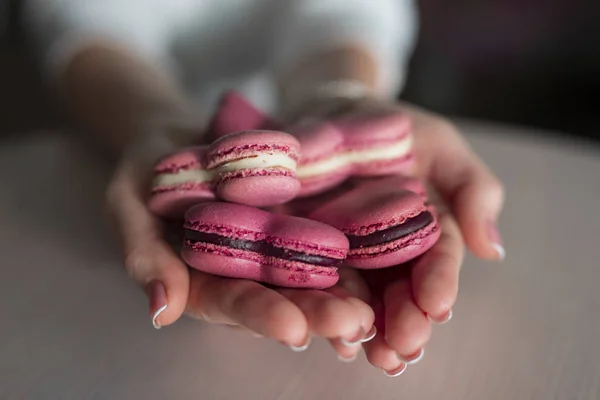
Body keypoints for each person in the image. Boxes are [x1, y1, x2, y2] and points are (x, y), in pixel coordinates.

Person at [24, 0, 505, 377]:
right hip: (120, 121)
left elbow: (346, 10)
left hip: (280, 120)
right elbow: (85, 14)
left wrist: (340, 94)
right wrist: (153, 122)